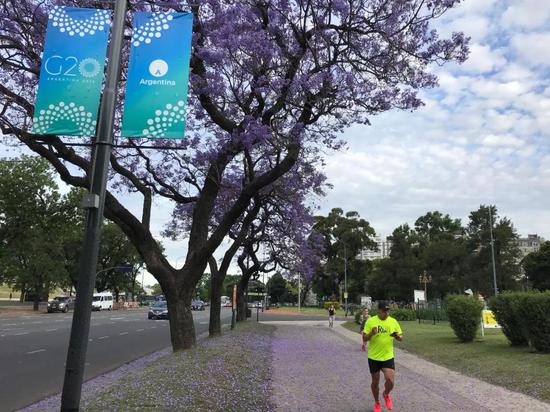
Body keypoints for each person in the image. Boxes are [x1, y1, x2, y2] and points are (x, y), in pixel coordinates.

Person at [363, 301, 403, 412]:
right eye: (384, 311)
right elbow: (364, 338)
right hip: (374, 357)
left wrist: (396, 336)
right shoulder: (371, 321)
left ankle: (386, 394)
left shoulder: (393, 321)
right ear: (378, 311)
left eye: (388, 310)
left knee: (390, 380)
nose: (387, 313)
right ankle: (377, 402)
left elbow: (401, 338)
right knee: (375, 383)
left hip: (387, 356)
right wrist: (371, 333)